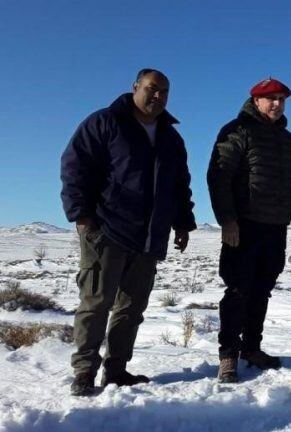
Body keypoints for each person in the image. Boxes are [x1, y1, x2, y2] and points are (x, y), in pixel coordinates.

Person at [60, 68, 196, 396]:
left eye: (164, 91)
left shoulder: (170, 137)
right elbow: (75, 165)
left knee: (132, 308)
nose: (158, 96)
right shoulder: (106, 122)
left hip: (149, 235)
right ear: (135, 87)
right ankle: (84, 371)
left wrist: (183, 222)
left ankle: (116, 370)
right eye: (152, 88)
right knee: (96, 302)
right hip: (106, 228)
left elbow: (179, 184)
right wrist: (81, 214)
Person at [207, 77, 291, 383]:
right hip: (244, 226)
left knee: (262, 290)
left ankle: (251, 347)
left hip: (275, 226)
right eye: (271, 99)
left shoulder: (288, 140)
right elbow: (219, 176)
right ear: (256, 100)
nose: (277, 104)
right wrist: (228, 220)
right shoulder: (238, 130)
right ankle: (228, 356)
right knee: (238, 290)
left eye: (281, 99)